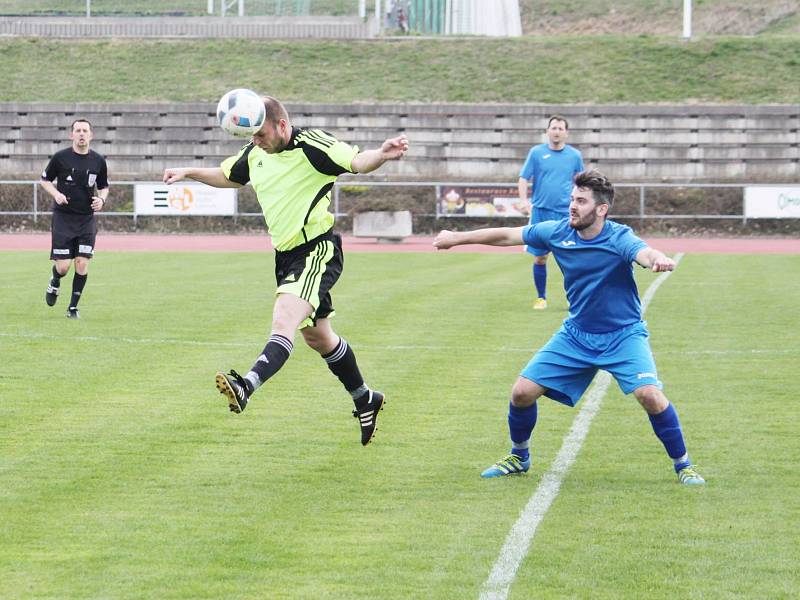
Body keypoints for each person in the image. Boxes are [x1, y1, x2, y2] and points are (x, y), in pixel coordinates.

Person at [163, 95, 408, 446]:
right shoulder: (256, 152)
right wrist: (189, 172)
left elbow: (357, 160)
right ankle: (365, 398)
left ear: (281, 125)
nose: (255, 142)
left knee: (284, 319)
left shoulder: (313, 145)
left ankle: (246, 385)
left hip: (317, 250)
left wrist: (382, 155)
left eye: (260, 134)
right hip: (285, 257)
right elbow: (230, 175)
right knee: (319, 337)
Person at [433, 170, 705, 485]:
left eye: (580, 201)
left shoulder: (618, 237)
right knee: (522, 393)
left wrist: (657, 259)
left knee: (650, 396)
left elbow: (642, 251)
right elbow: (508, 235)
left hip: (623, 335)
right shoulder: (556, 232)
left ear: (601, 209)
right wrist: (456, 238)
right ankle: (519, 456)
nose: (572, 206)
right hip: (576, 334)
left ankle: (684, 465)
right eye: (572, 199)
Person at [41, 119, 109, 319]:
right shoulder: (60, 158)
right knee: (63, 267)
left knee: (82, 263)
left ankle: (72, 308)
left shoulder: (98, 161)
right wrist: (56, 194)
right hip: (63, 218)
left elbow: (104, 187)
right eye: (77, 130)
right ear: (72, 135)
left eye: (85, 131)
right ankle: (55, 279)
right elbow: (44, 180)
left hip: (86, 219)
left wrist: (102, 200)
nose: (81, 134)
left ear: (91, 135)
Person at [517, 115, 584, 310]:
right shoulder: (537, 153)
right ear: (548, 131)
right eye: (553, 128)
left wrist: (582, 205)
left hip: (566, 214)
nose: (556, 131)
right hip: (540, 212)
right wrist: (523, 201)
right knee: (540, 257)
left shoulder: (574, 156)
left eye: (560, 128)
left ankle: (575, 300)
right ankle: (541, 298)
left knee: (571, 258)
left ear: (566, 133)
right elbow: (523, 178)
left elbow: (581, 182)